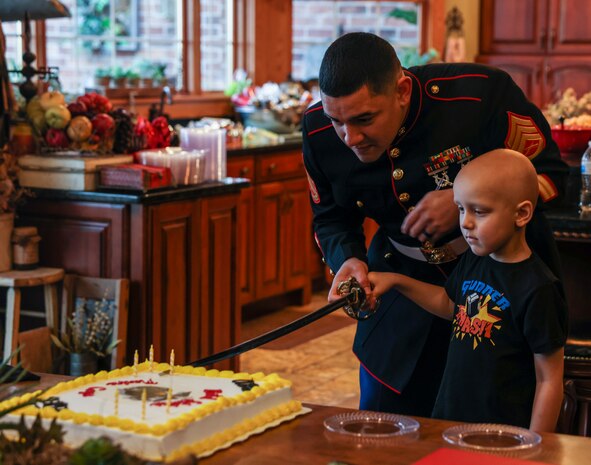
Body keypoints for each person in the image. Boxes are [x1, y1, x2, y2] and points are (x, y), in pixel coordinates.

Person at [301, 32, 569, 416]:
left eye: (364, 119)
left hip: (501, 281)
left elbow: (552, 174)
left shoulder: (479, 96)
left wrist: (465, 205)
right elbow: (330, 217)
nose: (350, 138)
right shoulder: (316, 130)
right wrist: (347, 259)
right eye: (336, 121)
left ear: (403, 90)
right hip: (401, 279)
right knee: (384, 422)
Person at [368, 149, 567, 431]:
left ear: (521, 213)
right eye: (461, 209)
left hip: (503, 435)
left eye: (479, 211)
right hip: (451, 421)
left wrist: (535, 449)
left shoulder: (539, 288)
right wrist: (397, 281)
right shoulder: (475, 260)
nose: (466, 223)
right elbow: (450, 304)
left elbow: (549, 379)